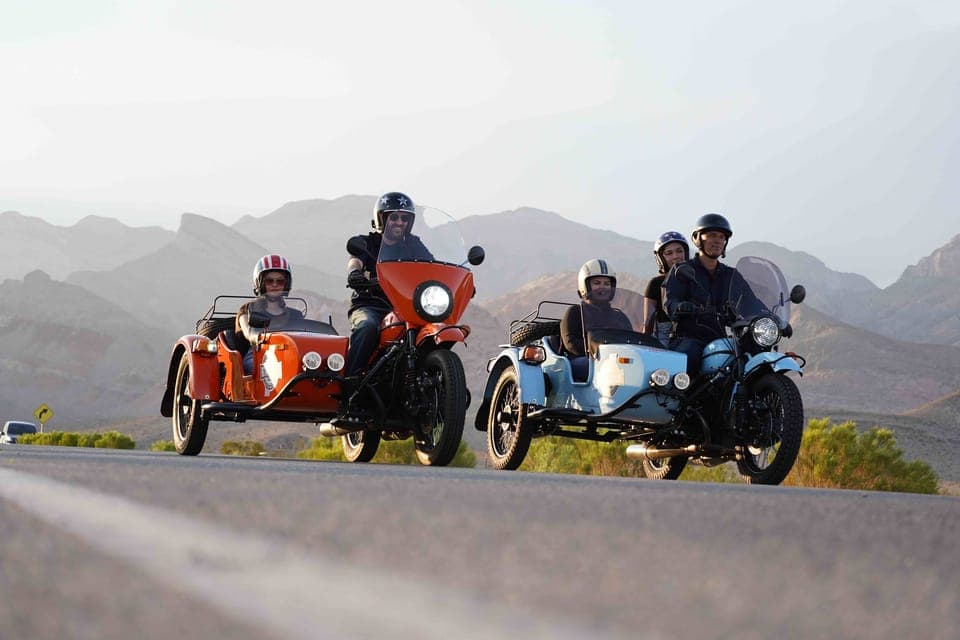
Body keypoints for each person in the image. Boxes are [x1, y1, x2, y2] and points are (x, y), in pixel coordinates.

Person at [343, 191, 434, 377]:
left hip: (405, 307)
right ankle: (349, 381)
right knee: (368, 327)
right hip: (370, 305)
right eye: (394, 217)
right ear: (382, 219)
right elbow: (355, 261)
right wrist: (354, 273)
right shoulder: (368, 242)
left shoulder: (413, 244)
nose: (399, 222)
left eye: (404, 218)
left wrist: (454, 282)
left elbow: (432, 266)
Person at [663, 214, 765, 376]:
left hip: (720, 339)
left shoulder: (731, 275)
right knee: (690, 355)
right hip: (688, 337)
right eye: (711, 235)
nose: (717, 240)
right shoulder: (681, 270)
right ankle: (681, 392)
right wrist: (680, 306)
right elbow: (670, 301)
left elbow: (751, 302)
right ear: (698, 239)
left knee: (753, 354)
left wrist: (772, 318)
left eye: (721, 237)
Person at [560, 259, 633, 380]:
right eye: (597, 283)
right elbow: (571, 344)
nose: (602, 287)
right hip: (585, 359)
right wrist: (601, 353)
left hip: (616, 360)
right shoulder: (576, 312)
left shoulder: (620, 316)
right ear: (585, 286)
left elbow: (632, 341)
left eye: (607, 284)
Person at [236, 254, 304, 374]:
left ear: (286, 284)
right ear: (260, 283)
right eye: (269, 281)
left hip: (290, 355)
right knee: (269, 368)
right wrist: (258, 336)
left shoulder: (296, 315)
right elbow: (249, 333)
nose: (274, 284)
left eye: (280, 281)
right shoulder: (248, 310)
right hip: (259, 353)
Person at [641, 231, 689, 347]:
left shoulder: (695, 280)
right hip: (664, 341)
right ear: (660, 258)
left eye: (679, 251)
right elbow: (648, 322)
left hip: (694, 337)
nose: (675, 256)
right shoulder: (656, 283)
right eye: (669, 253)